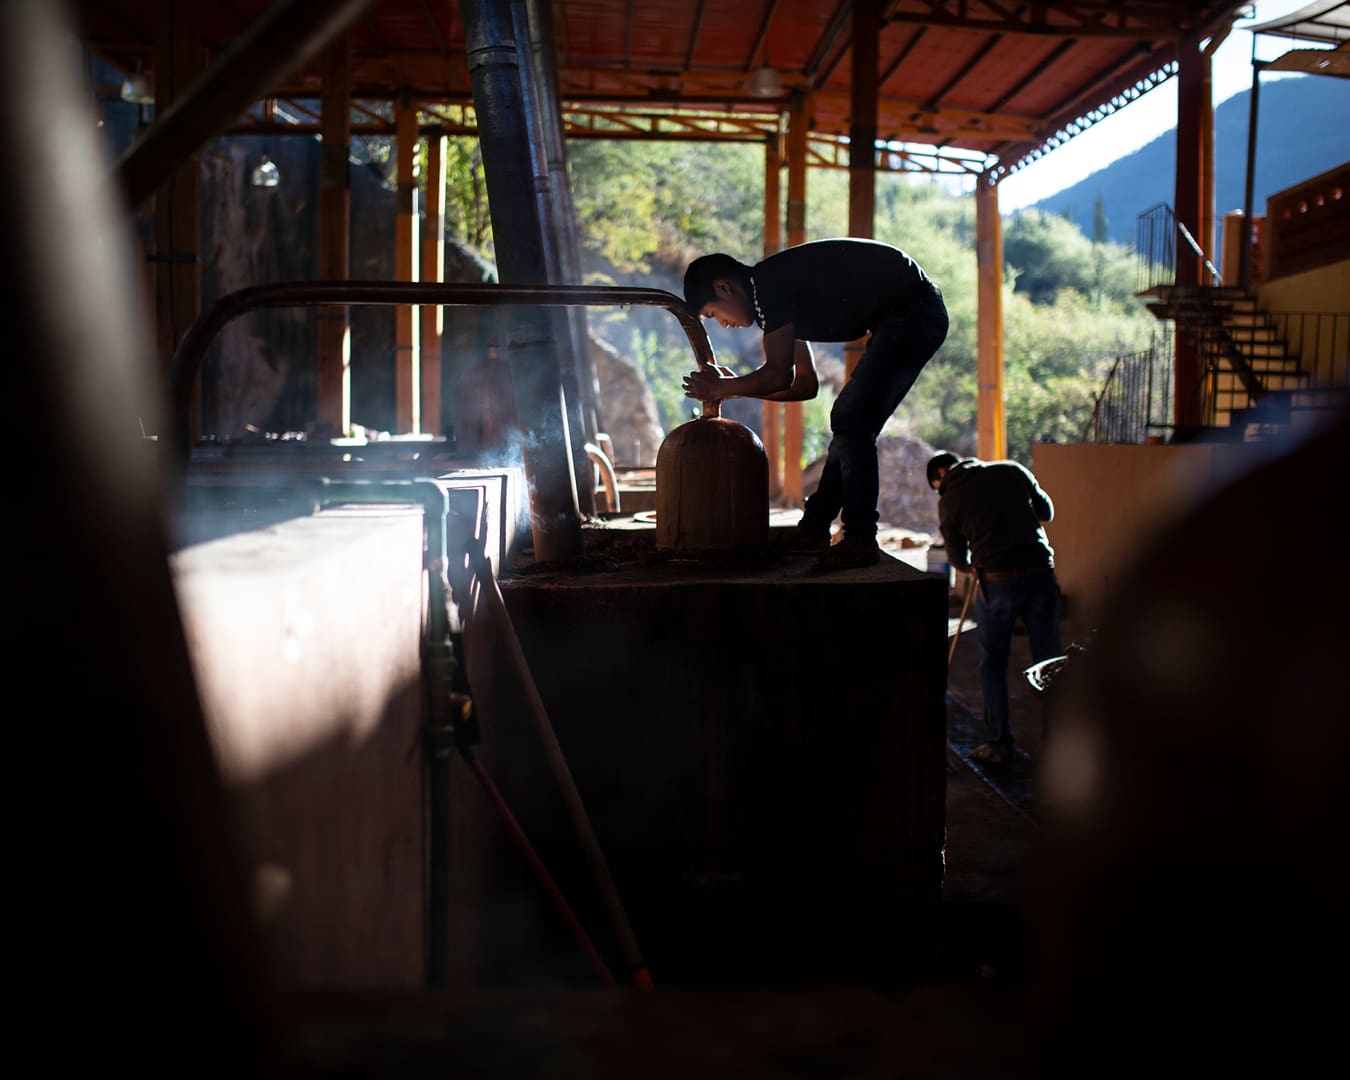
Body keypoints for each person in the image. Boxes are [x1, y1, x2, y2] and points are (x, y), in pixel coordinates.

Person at [682, 238, 948, 570]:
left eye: (713, 314)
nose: (723, 323)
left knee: (852, 419)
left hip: (914, 311)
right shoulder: (773, 296)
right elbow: (804, 385)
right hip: (905, 315)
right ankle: (814, 527)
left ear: (723, 288)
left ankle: (860, 538)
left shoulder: (768, 289)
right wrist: (731, 389)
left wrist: (725, 385)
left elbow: (778, 375)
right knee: (851, 420)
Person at [927, 450, 1061, 765]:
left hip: (997, 580)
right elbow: (1046, 512)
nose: (939, 491)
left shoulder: (949, 499)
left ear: (943, 473)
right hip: (1041, 572)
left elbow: (957, 560)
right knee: (1052, 665)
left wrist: (975, 563)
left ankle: (1001, 746)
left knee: (993, 665)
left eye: (937, 485)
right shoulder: (1012, 470)